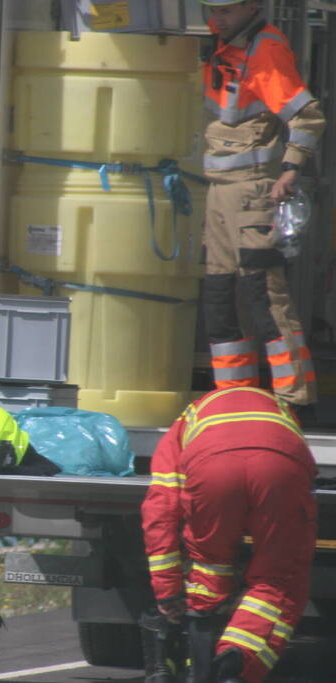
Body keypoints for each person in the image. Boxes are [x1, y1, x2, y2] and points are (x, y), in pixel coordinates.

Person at [140, 386, 317, 683]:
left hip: (213, 471)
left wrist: (168, 591)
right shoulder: (282, 412)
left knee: (209, 569)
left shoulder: (188, 419)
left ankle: (199, 659)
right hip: (280, 470)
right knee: (278, 579)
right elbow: (302, 462)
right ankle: (236, 662)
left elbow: (162, 508)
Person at [198, 0, 325, 408]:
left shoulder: (264, 50)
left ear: (252, 7)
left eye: (226, 11)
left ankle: (293, 400)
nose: (216, 19)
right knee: (219, 294)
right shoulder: (222, 45)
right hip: (220, 189)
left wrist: (290, 169)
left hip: (253, 189)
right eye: (211, 10)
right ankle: (233, 398)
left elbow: (307, 116)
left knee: (264, 293)